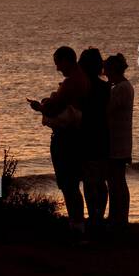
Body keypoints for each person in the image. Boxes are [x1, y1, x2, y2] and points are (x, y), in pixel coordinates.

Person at [30, 45, 90, 238]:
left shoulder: (72, 82)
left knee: (68, 184)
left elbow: (53, 109)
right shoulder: (83, 79)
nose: (57, 68)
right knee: (72, 184)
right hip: (78, 138)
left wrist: (40, 106)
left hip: (66, 139)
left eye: (58, 63)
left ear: (67, 60)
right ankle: (78, 224)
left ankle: (76, 227)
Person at [78, 47, 112, 236]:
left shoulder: (82, 87)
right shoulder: (105, 87)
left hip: (86, 136)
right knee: (100, 181)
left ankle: (93, 216)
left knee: (89, 181)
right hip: (103, 136)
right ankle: (99, 215)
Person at [103, 53, 133, 231]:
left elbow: (107, 108)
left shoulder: (121, 88)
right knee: (117, 180)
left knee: (116, 181)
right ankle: (119, 216)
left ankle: (118, 217)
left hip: (116, 140)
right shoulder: (122, 86)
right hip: (120, 139)